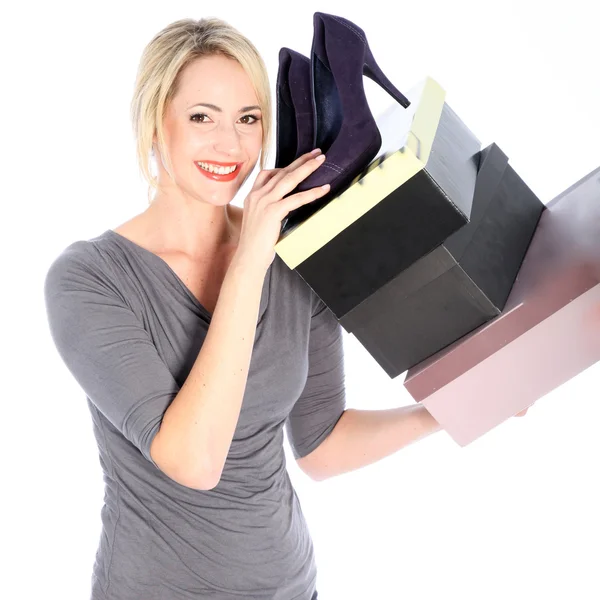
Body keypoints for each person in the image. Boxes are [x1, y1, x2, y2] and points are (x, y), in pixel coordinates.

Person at [43, 16, 529, 600]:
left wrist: (446, 412)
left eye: (248, 120)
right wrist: (252, 256)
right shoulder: (90, 279)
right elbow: (194, 461)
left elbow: (321, 444)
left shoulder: (292, 252)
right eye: (202, 117)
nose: (230, 145)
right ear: (155, 124)